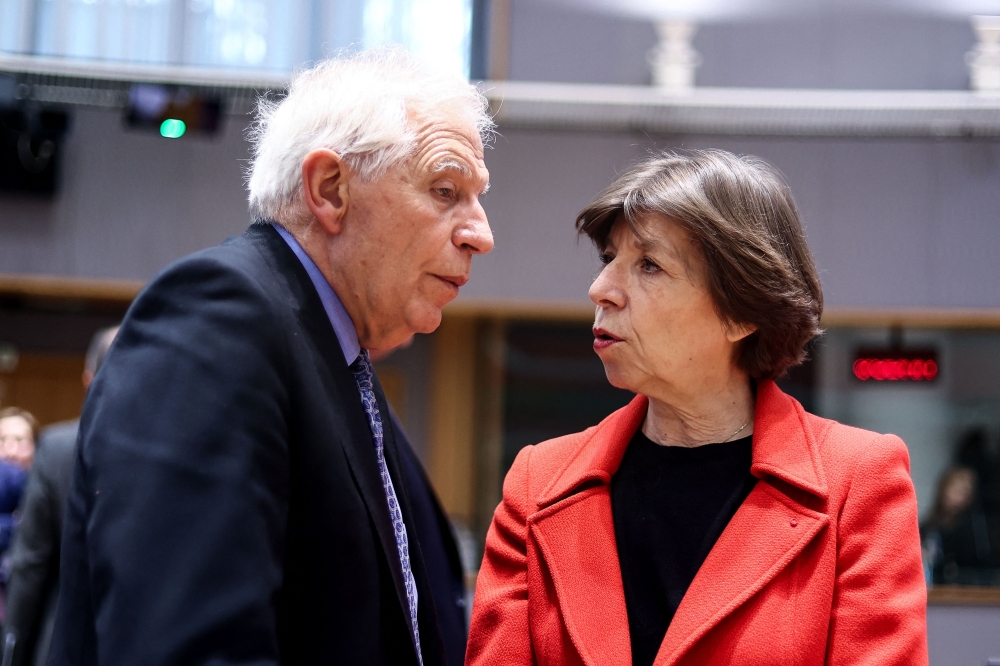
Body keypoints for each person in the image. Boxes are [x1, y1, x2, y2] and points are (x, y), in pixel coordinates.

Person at [49, 49, 493, 666]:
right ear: (330, 190)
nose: (481, 234)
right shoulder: (215, 318)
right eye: (445, 191)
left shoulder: (338, 363)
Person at [467, 150, 928, 665]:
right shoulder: (537, 484)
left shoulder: (857, 484)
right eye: (608, 259)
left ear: (742, 313)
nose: (600, 289)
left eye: (649, 265)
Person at [1, 326, 118, 666]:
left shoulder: (57, 449)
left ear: (88, 379)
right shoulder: (181, 455)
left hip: (65, 643)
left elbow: (30, 564)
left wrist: (12, 653)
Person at [921, 466, 998, 586]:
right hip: (931, 585)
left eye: (965, 493)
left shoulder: (972, 527)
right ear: (944, 489)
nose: (960, 497)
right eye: (956, 490)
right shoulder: (929, 525)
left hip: (961, 586)